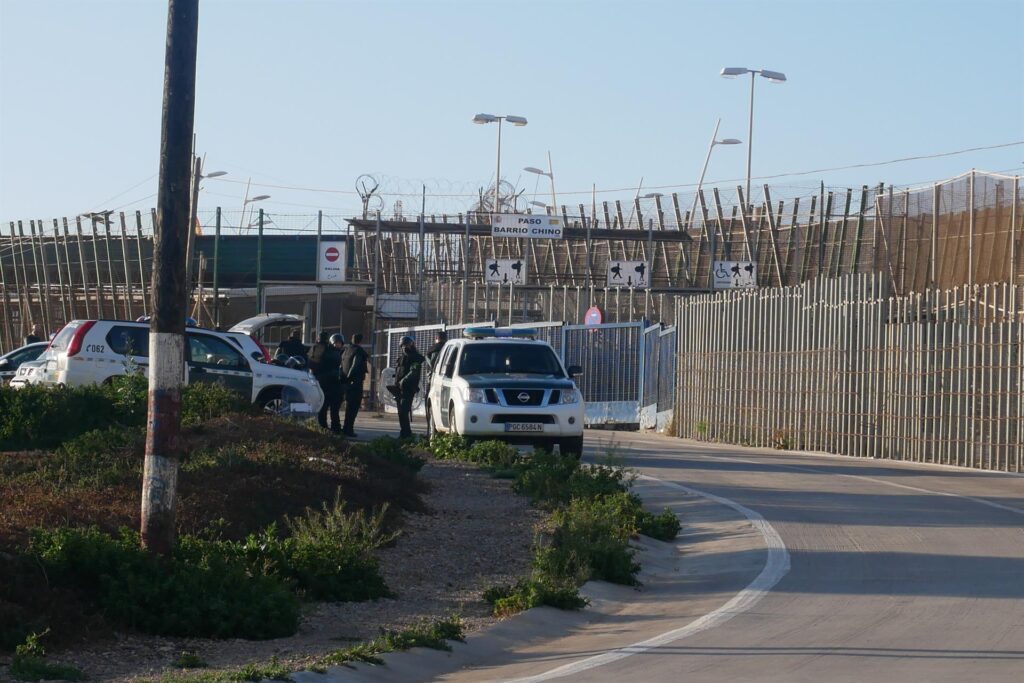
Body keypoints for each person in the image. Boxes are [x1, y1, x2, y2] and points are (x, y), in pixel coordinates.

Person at [312, 332, 343, 433]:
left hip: (321, 381)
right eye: (336, 343)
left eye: (339, 343)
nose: (338, 345)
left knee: (324, 406)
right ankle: (334, 427)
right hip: (331, 382)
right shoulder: (331, 352)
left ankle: (323, 426)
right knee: (332, 407)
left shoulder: (316, 350)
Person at [394, 335, 425, 439]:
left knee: (404, 411)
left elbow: (414, 371)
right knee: (400, 412)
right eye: (403, 346)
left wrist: (403, 380)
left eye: (407, 345)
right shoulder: (401, 358)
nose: (405, 347)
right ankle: (404, 432)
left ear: (411, 345)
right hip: (399, 389)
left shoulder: (416, 358)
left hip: (408, 389)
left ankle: (407, 434)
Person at [340, 333, 368, 437]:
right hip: (355, 382)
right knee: (354, 406)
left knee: (348, 406)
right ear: (360, 341)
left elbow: (342, 365)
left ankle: (345, 428)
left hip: (346, 383)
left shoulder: (346, 350)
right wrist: (350, 377)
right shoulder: (358, 351)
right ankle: (348, 429)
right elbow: (355, 366)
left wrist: (345, 378)